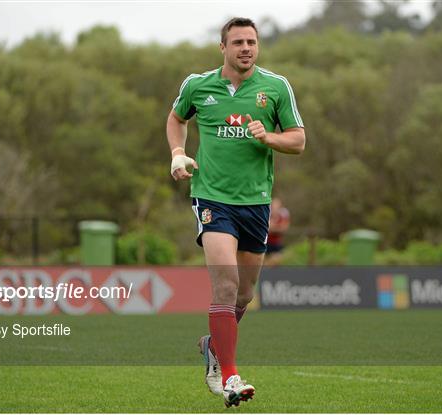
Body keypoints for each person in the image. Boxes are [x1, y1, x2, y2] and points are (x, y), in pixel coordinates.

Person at [166, 17, 305, 407]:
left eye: (252, 42)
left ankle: (214, 346)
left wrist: (270, 136)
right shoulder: (198, 85)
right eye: (238, 42)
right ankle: (228, 376)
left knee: (244, 294)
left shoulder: (276, 88)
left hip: (256, 203)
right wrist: (179, 153)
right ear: (222, 47)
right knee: (224, 285)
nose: (246, 48)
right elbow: (176, 118)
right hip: (212, 199)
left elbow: (299, 141)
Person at [265, 197, 291, 266]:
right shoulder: (267, 214)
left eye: (277, 206)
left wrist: (273, 228)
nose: (275, 208)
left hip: (276, 243)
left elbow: (284, 228)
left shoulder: (282, 215)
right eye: (273, 206)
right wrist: (276, 228)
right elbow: (268, 229)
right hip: (266, 242)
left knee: (276, 261)